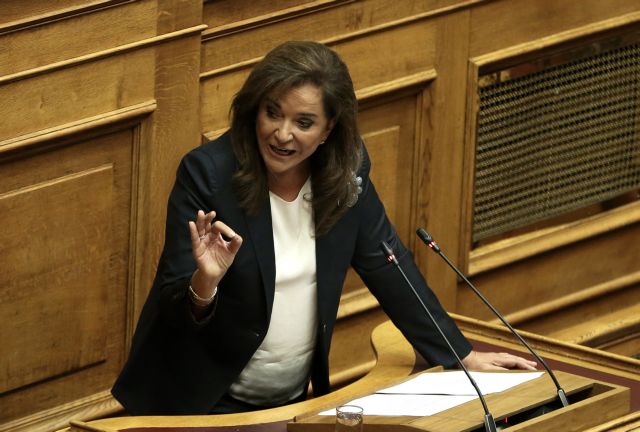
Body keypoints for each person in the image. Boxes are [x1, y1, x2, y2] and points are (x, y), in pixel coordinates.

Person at [111, 40, 536, 415]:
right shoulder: (209, 174)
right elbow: (173, 304)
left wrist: (460, 355)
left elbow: (387, 264)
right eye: (272, 113)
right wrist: (205, 283)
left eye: (303, 122)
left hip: (291, 402)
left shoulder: (346, 173)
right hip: (198, 403)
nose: (282, 134)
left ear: (329, 129)